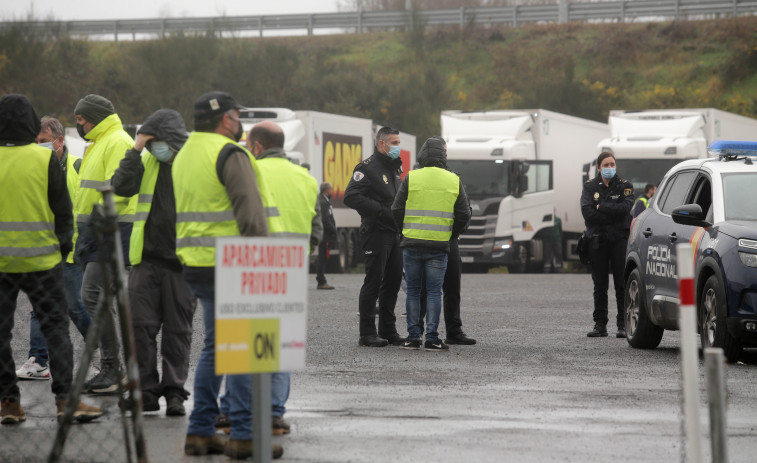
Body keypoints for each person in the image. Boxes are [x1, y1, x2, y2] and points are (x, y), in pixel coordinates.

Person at [173, 91, 282, 460]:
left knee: (218, 346)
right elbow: (251, 217)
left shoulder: (185, 152)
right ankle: (245, 434)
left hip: (197, 262)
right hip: (234, 262)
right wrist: (265, 264)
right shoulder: (230, 153)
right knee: (242, 350)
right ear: (227, 120)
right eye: (238, 117)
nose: (241, 124)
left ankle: (200, 432)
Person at [0, 94, 102, 424]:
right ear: (31, 124)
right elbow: (63, 212)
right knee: (56, 329)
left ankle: (10, 405)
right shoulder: (45, 159)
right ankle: (65, 401)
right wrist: (60, 250)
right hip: (43, 262)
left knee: (1, 335)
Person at [111, 109, 196, 416]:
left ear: (173, 141)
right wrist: (135, 148)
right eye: (150, 142)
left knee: (178, 332)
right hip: (146, 261)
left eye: (158, 142)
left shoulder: (193, 164)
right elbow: (120, 186)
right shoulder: (145, 160)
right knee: (138, 329)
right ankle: (145, 392)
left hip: (183, 262)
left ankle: (174, 393)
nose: (154, 147)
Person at [247, 120, 321, 435]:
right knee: (279, 343)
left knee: (247, 340)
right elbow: (317, 229)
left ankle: (239, 410)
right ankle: (275, 414)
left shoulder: (250, 172)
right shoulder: (306, 178)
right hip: (290, 268)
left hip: (252, 264)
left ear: (257, 146)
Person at [16, 116, 92, 380]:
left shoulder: (78, 167)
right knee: (39, 306)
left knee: (75, 308)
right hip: (43, 251)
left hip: (71, 252)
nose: (38, 147)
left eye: (44, 142)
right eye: (35, 142)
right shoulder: (32, 169)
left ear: (59, 141)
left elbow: (88, 209)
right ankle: (38, 361)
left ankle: (106, 358)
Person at [73, 94, 138, 394]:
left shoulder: (117, 141)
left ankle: (113, 368)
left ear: (96, 116)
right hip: (95, 232)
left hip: (111, 231)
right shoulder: (99, 143)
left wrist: (98, 223)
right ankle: (112, 367)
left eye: (82, 118)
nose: (79, 124)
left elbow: (120, 188)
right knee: (96, 298)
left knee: (93, 296)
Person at [392, 137, 470, 351]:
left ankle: (413, 337)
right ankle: (433, 339)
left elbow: (396, 209)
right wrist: (449, 234)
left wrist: (404, 231)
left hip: (412, 244)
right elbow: (464, 213)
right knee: (436, 292)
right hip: (439, 245)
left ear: (422, 155)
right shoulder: (453, 179)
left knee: (414, 291)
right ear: (443, 156)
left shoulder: (411, 177)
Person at [344, 127, 406, 348]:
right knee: (373, 283)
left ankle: (388, 330)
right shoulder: (367, 168)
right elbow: (350, 196)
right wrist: (380, 211)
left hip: (395, 233)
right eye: (394, 142)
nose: (398, 146)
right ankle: (367, 333)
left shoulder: (394, 168)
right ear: (382, 144)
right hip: (376, 232)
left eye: (399, 141)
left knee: (392, 283)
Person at [417, 137, 476, 346]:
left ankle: (452, 330)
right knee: (425, 289)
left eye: (444, 150)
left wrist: (454, 233)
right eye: (442, 151)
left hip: (444, 240)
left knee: (451, 286)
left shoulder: (452, 178)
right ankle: (419, 332)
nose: (443, 154)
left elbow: (464, 211)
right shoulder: (416, 177)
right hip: (432, 239)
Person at [580, 151, 634, 338]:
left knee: (621, 283)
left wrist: (601, 207)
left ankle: (622, 325)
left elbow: (625, 210)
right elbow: (587, 212)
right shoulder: (590, 187)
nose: (610, 168)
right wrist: (611, 214)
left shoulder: (625, 186)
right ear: (598, 167)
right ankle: (600, 324)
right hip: (598, 240)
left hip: (619, 240)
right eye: (606, 165)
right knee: (600, 284)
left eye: (612, 164)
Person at [316, 182, 337, 290]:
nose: (332, 192)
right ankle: (321, 281)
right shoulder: (323, 202)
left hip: (325, 233)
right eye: (331, 190)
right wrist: (333, 229)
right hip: (325, 234)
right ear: (327, 190)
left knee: (323, 256)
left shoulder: (323, 200)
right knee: (322, 257)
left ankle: (321, 279)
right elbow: (325, 219)